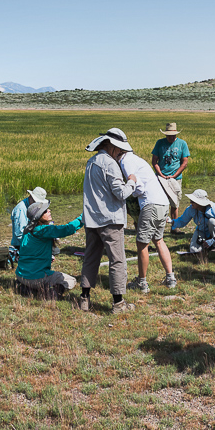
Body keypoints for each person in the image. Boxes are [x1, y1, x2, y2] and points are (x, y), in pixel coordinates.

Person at [80, 128, 138, 314]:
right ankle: (119, 303)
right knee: (117, 261)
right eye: (119, 149)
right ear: (111, 145)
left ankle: (84, 299)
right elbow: (121, 193)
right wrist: (132, 182)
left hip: (92, 219)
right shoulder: (110, 164)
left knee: (90, 259)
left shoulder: (91, 162)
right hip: (110, 220)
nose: (121, 153)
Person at [119, 151, 177, 293]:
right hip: (162, 203)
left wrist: (129, 193)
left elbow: (139, 188)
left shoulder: (125, 162)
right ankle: (171, 278)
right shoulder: (136, 159)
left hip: (150, 204)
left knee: (142, 243)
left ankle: (142, 282)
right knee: (159, 240)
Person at [15, 201, 83, 299]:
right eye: (46, 211)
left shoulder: (27, 229)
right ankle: (48, 292)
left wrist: (47, 256)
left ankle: (27, 288)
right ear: (39, 216)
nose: (49, 210)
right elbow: (67, 229)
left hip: (20, 275)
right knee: (71, 280)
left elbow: (29, 252)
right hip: (36, 277)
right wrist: (82, 218)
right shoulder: (43, 230)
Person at [152, 123, 190, 231]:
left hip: (175, 179)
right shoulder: (160, 143)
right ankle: (159, 227)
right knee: (159, 202)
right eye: (168, 135)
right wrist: (160, 174)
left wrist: (174, 175)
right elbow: (154, 161)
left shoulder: (182, 144)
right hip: (161, 177)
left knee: (175, 203)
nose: (170, 137)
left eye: (172, 135)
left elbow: (184, 162)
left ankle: (174, 227)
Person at [170, 189, 215, 254]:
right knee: (194, 250)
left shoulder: (213, 208)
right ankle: (206, 246)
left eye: (192, 201)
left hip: (214, 233)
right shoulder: (190, 209)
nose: (190, 202)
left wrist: (213, 240)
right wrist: (171, 221)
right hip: (201, 231)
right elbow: (182, 221)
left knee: (212, 221)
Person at [9, 187, 49, 266]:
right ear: (31, 197)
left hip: (31, 239)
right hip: (21, 244)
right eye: (36, 201)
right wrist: (34, 244)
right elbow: (19, 234)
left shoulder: (33, 206)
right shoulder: (21, 209)